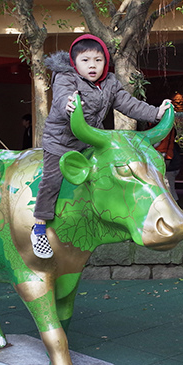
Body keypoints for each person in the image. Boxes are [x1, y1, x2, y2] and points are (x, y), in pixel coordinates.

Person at [31, 34, 171, 259]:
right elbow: (61, 99)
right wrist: (69, 104)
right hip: (61, 142)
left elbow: (128, 103)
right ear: (74, 63)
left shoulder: (110, 83)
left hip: (89, 142)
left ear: (105, 62)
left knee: (106, 175)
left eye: (98, 60)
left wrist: (155, 112)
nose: (92, 65)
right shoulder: (66, 78)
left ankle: (95, 219)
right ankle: (38, 227)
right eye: (85, 60)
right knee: (52, 179)